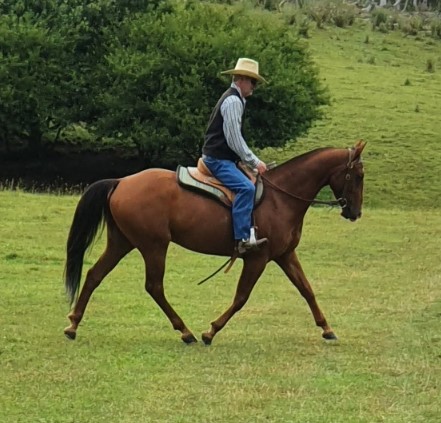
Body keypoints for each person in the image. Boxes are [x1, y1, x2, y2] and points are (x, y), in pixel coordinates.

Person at [202, 58, 268, 254]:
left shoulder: (237, 100)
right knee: (246, 188)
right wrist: (254, 161)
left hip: (224, 158)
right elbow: (233, 139)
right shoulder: (233, 101)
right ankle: (242, 238)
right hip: (217, 159)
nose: (254, 87)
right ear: (241, 79)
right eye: (253, 82)